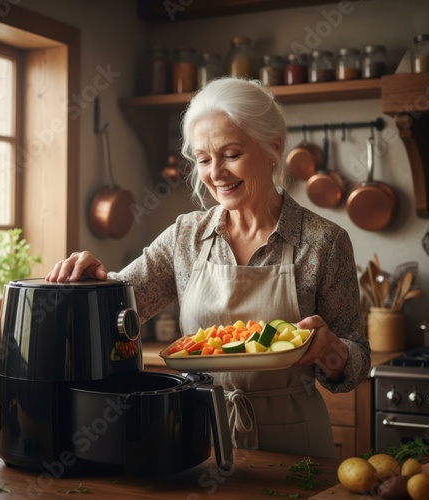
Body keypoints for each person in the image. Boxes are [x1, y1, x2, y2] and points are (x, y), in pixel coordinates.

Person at [46, 77, 371, 458]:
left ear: (273, 148)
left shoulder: (323, 242)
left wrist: (331, 350)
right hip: (199, 435)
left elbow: (356, 364)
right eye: (203, 159)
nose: (215, 173)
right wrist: (90, 283)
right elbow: (119, 310)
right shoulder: (186, 235)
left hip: (294, 442)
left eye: (231, 154)